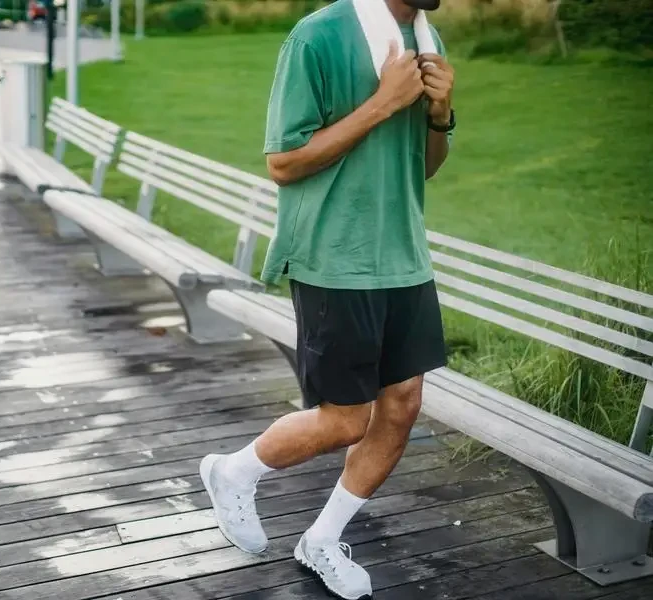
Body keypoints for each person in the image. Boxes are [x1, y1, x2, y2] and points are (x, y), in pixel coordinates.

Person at [199, 0, 455, 598]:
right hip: (333, 257)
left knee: (401, 407)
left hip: (403, 256)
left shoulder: (424, 35)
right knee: (346, 419)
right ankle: (232, 471)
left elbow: (425, 167)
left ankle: (321, 539)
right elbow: (283, 162)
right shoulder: (318, 37)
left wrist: (439, 115)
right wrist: (385, 102)